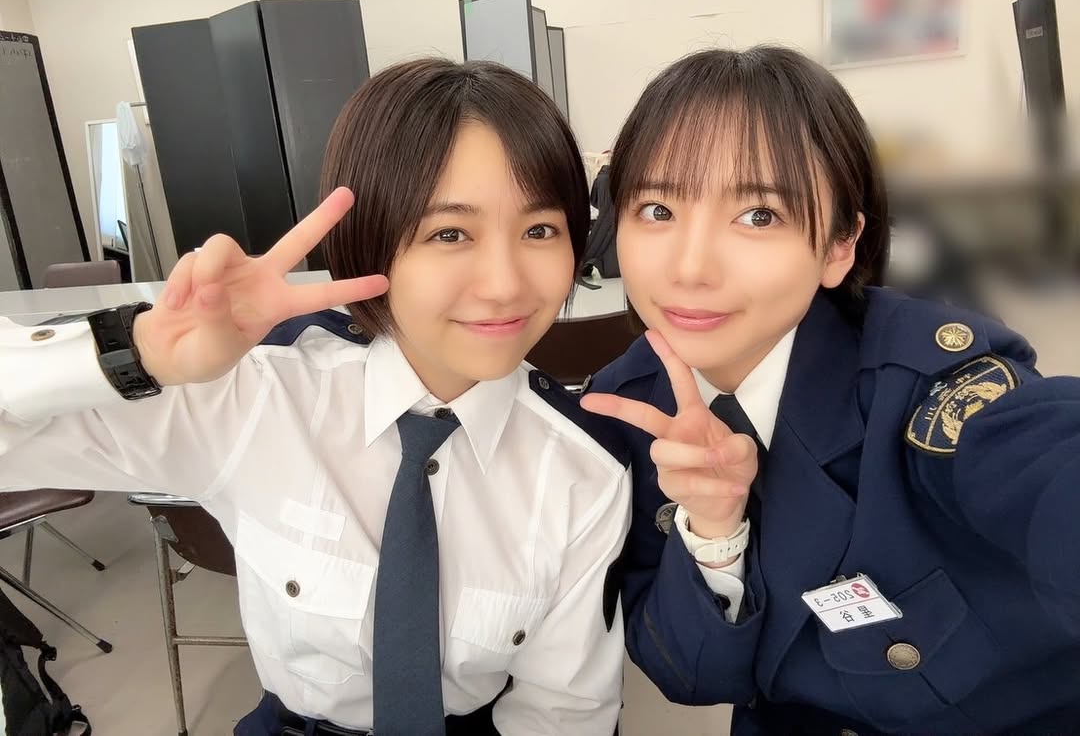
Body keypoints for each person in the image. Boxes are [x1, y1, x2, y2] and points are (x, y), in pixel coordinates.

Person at [0, 58, 631, 736]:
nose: (505, 284)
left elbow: (563, 712)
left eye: (540, 230)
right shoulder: (259, 397)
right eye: (450, 233)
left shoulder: (584, 471)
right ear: (370, 243)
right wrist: (140, 351)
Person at [583, 45, 1080, 734]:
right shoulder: (625, 409)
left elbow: (1045, 464)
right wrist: (714, 531)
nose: (689, 267)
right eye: (657, 209)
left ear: (839, 246)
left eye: (759, 215)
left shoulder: (924, 382)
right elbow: (692, 675)